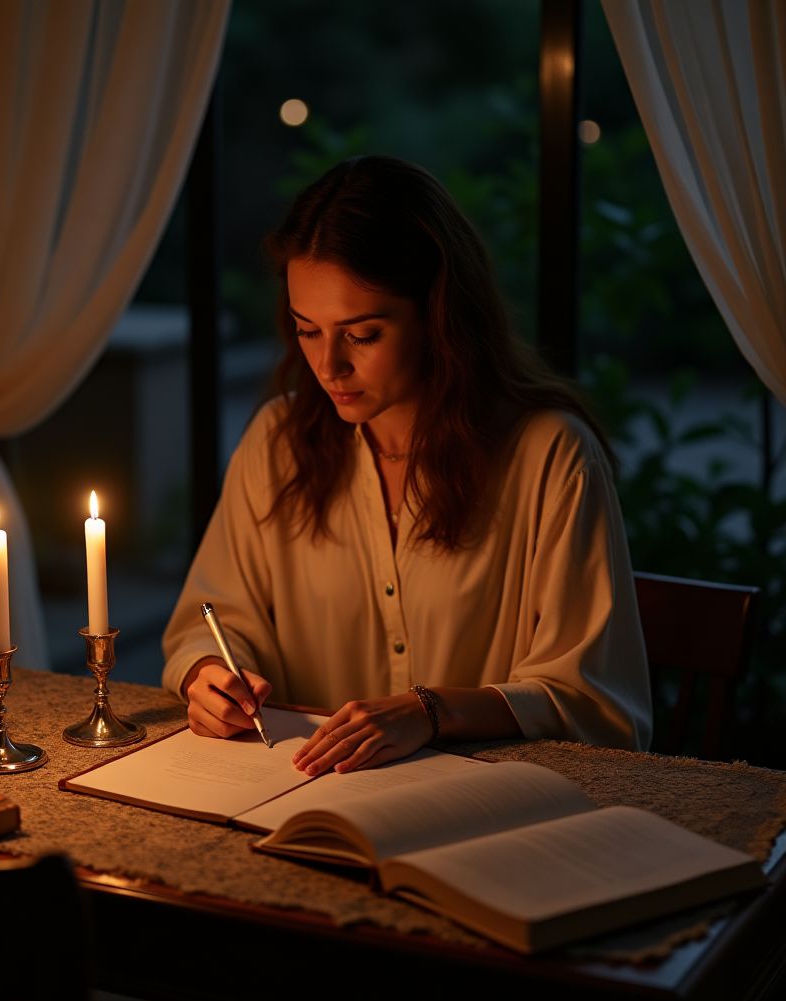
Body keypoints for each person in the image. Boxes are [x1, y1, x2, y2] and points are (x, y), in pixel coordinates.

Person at [161, 155, 651, 776]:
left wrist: (430, 711)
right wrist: (211, 675)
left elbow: (597, 701)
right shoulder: (277, 443)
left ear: (439, 317)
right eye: (307, 329)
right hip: (305, 793)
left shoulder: (547, 455)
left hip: (486, 809)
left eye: (361, 335)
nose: (328, 366)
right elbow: (213, 620)